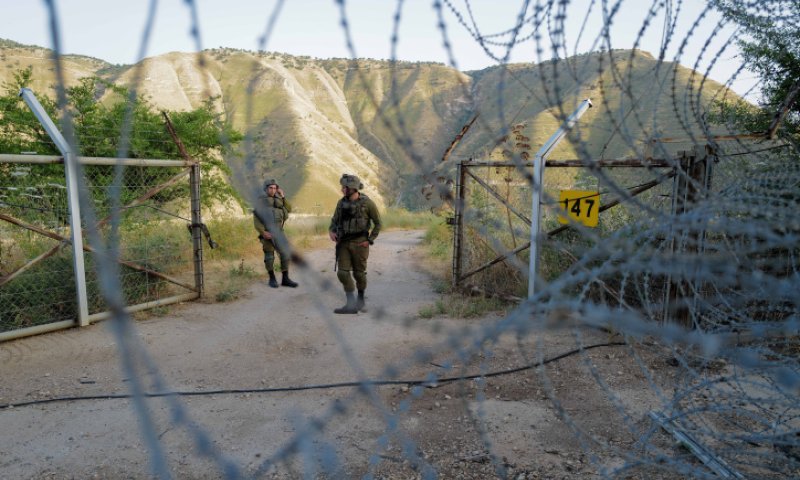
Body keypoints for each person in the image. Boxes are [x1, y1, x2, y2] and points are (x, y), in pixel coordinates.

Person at [328, 173, 382, 314]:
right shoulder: (341, 203)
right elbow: (334, 220)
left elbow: (378, 223)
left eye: (345, 187)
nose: (342, 189)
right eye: (342, 187)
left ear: (353, 188)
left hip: (360, 243)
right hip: (343, 243)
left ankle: (361, 300)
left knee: (359, 274)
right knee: (342, 273)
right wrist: (331, 231)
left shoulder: (368, 203)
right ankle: (351, 304)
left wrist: (369, 240)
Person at [254, 179, 298, 288]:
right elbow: (257, 219)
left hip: (279, 232)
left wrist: (283, 196)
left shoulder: (279, 200)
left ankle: (285, 279)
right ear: (266, 189)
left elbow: (289, 209)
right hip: (268, 233)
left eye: (275, 188)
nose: (273, 190)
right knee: (269, 256)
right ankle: (272, 278)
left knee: (285, 253)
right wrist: (263, 232)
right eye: (270, 188)